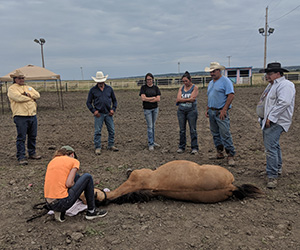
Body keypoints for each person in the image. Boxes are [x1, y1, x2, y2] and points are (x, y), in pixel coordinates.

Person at [257, 62, 296, 189]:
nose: (267, 76)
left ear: (278, 73)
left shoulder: (285, 85)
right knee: (274, 145)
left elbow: (284, 102)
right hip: (270, 120)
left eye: (269, 73)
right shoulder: (272, 85)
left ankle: (272, 175)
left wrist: (271, 117)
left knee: (270, 148)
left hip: (276, 121)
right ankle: (276, 169)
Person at [44, 145, 107, 222]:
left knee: (76, 176)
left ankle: (61, 213)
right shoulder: (74, 161)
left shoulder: (52, 161)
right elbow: (69, 184)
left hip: (49, 203)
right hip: (62, 203)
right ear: (72, 154)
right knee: (87, 177)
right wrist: (77, 186)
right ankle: (91, 211)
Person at [7, 70, 41, 165]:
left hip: (32, 115)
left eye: (23, 78)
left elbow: (37, 95)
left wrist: (26, 95)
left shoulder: (28, 87)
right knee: (21, 137)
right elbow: (18, 98)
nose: (22, 80)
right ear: (15, 79)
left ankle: (32, 153)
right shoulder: (12, 89)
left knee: (32, 136)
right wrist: (31, 98)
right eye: (19, 78)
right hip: (20, 115)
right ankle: (21, 156)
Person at [204, 62, 235, 166]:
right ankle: (220, 151)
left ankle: (230, 154)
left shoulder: (225, 81)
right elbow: (210, 96)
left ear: (219, 71)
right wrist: (208, 108)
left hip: (220, 111)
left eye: (213, 71)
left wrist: (224, 109)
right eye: (210, 72)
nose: (212, 74)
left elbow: (230, 95)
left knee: (225, 133)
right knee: (215, 133)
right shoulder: (211, 83)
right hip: (212, 111)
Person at [86, 71, 118, 155]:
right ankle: (97, 147)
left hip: (108, 113)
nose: (100, 83)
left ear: (104, 81)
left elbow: (114, 100)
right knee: (97, 131)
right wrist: (93, 111)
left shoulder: (109, 89)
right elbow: (88, 102)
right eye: (99, 82)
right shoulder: (93, 90)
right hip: (98, 114)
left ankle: (111, 145)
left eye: (101, 81)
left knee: (112, 130)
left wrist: (113, 109)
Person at [176, 71, 199, 154]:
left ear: (190, 80)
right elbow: (178, 99)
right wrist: (187, 100)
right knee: (182, 130)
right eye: (183, 81)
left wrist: (182, 100)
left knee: (193, 129)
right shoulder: (181, 88)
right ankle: (181, 146)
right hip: (181, 111)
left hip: (191, 111)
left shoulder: (194, 88)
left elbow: (193, 98)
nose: (185, 83)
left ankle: (194, 147)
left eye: (186, 81)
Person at [139, 73, 161, 151]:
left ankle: (153, 141)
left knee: (153, 126)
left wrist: (148, 99)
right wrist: (152, 98)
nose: (149, 81)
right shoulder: (143, 88)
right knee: (150, 126)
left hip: (155, 109)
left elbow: (158, 99)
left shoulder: (156, 88)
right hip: (147, 109)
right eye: (147, 79)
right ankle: (150, 143)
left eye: (150, 79)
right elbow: (143, 98)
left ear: (152, 80)